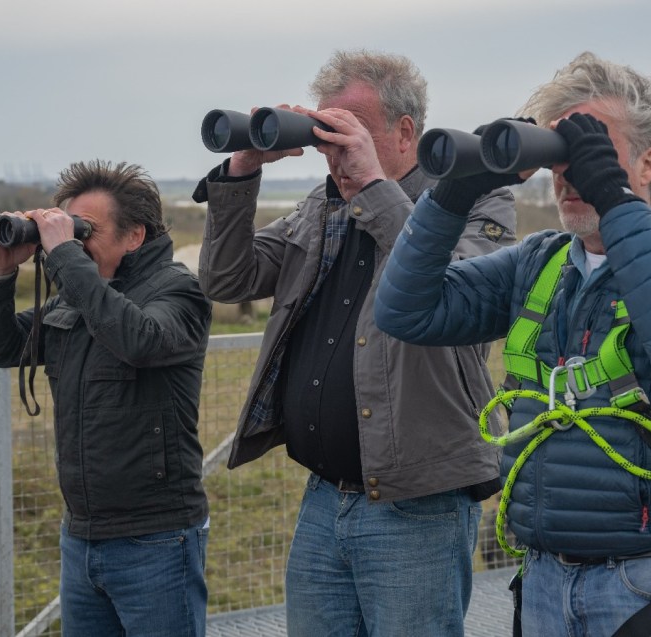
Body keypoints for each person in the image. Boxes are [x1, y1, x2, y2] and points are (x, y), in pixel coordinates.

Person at [375, 52, 651, 636]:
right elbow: (404, 311)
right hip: (544, 581)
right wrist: (450, 197)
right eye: (559, 156)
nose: (569, 173)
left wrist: (617, 200)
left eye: (592, 151)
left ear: (647, 163)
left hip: (650, 586)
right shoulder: (541, 264)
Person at [191, 49, 516, 636]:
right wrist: (244, 169)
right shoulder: (324, 206)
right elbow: (228, 279)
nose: (334, 147)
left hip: (418, 504)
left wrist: (371, 185)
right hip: (324, 497)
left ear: (406, 131)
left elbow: (456, 286)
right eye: (326, 129)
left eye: (352, 130)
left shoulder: (474, 197)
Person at [0, 160, 212, 637]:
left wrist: (65, 255)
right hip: (81, 537)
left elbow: (137, 338)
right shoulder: (75, 300)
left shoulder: (178, 292)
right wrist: (1, 270)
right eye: (68, 228)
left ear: (135, 235)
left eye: (86, 230)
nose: (74, 242)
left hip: (157, 539)